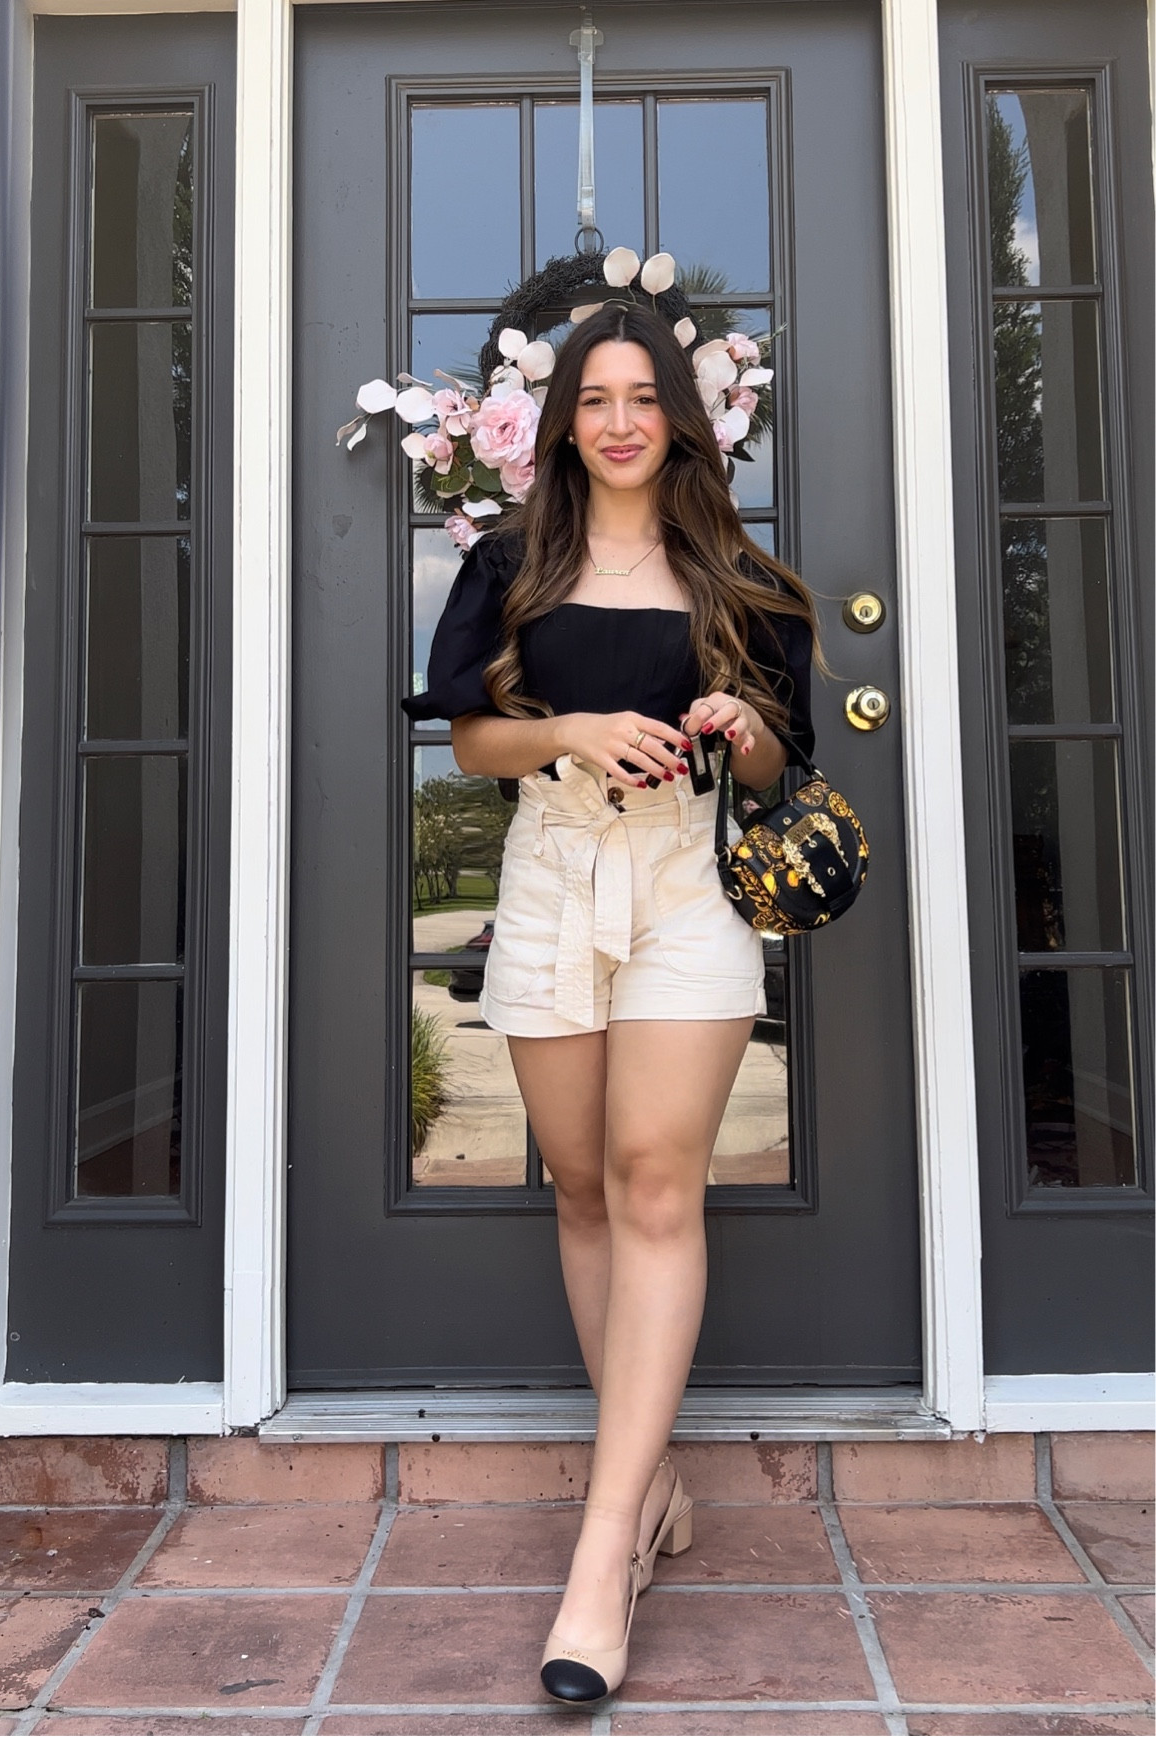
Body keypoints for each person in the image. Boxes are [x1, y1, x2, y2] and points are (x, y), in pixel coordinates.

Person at [402, 301, 818, 1704]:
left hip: (685, 882)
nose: (623, 419)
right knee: (580, 1188)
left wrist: (738, 727)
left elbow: (774, 767)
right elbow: (468, 736)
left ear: (684, 422)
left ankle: (598, 1553)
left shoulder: (737, 574)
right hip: (549, 870)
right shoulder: (513, 561)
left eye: (647, 397)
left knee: (654, 1188)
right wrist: (570, 728)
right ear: (563, 420)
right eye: (598, 398)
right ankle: (652, 1494)